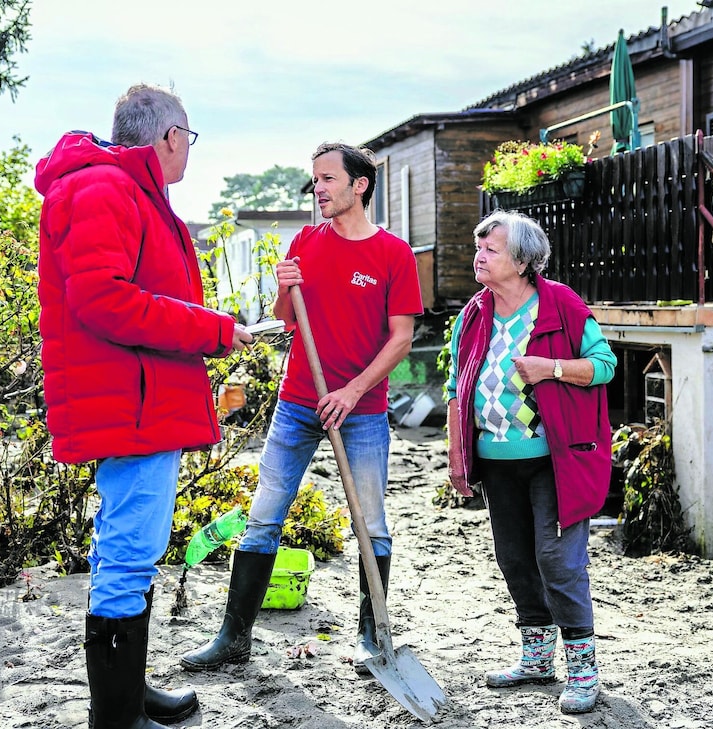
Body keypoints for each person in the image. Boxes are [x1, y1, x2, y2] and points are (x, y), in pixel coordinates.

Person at [34, 83, 252, 729]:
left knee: (129, 547)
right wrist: (212, 328)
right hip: (129, 403)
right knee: (129, 551)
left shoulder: (118, 188)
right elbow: (102, 299)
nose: (188, 150)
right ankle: (117, 714)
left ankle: (128, 694)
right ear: (169, 136)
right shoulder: (107, 188)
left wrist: (207, 326)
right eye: (189, 137)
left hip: (137, 397)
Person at [180, 141, 423, 675]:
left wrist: (353, 391)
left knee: (372, 524)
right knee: (264, 517)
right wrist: (285, 288)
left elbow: (402, 338)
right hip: (298, 402)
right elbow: (286, 318)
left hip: (360, 409)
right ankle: (234, 638)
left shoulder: (392, 254)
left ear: (359, 185)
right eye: (315, 180)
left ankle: (370, 633)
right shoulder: (306, 241)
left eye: (328, 179)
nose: (319, 189)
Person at [445, 210, 617, 715]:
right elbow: (457, 387)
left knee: (557, 561)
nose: (479, 256)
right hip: (496, 461)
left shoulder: (561, 305)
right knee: (515, 558)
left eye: (491, 249)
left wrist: (553, 369)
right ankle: (538, 658)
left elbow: (604, 365)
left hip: (555, 459)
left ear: (521, 261)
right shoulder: (474, 314)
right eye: (478, 247)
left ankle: (583, 669)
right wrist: (458, 455)